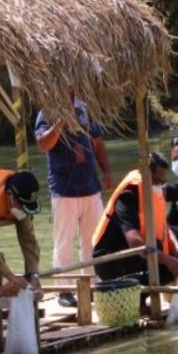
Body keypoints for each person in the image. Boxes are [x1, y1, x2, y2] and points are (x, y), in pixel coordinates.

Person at [35, 94, 114, 306]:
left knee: (93, 241)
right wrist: (61, 120)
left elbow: (98, 142)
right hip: (64, 189)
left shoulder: (85, 109)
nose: (69, 93)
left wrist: (106, 171)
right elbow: (44, 144)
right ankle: (65, 290)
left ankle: (91, 285)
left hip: (90, 186)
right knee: (64, 242)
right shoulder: (47, 112)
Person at [91, 152, 178, 284]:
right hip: (111, 260)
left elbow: (164, 227)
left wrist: (177, 249)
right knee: (162, 259)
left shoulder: (154, 191)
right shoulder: (128, 196)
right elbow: (135, 242)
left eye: (162, 181)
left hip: (136, 255)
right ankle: (134, 294)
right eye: (156, 181)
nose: (159, 185)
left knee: (169, 263)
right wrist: (168, 261)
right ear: (144, 173)